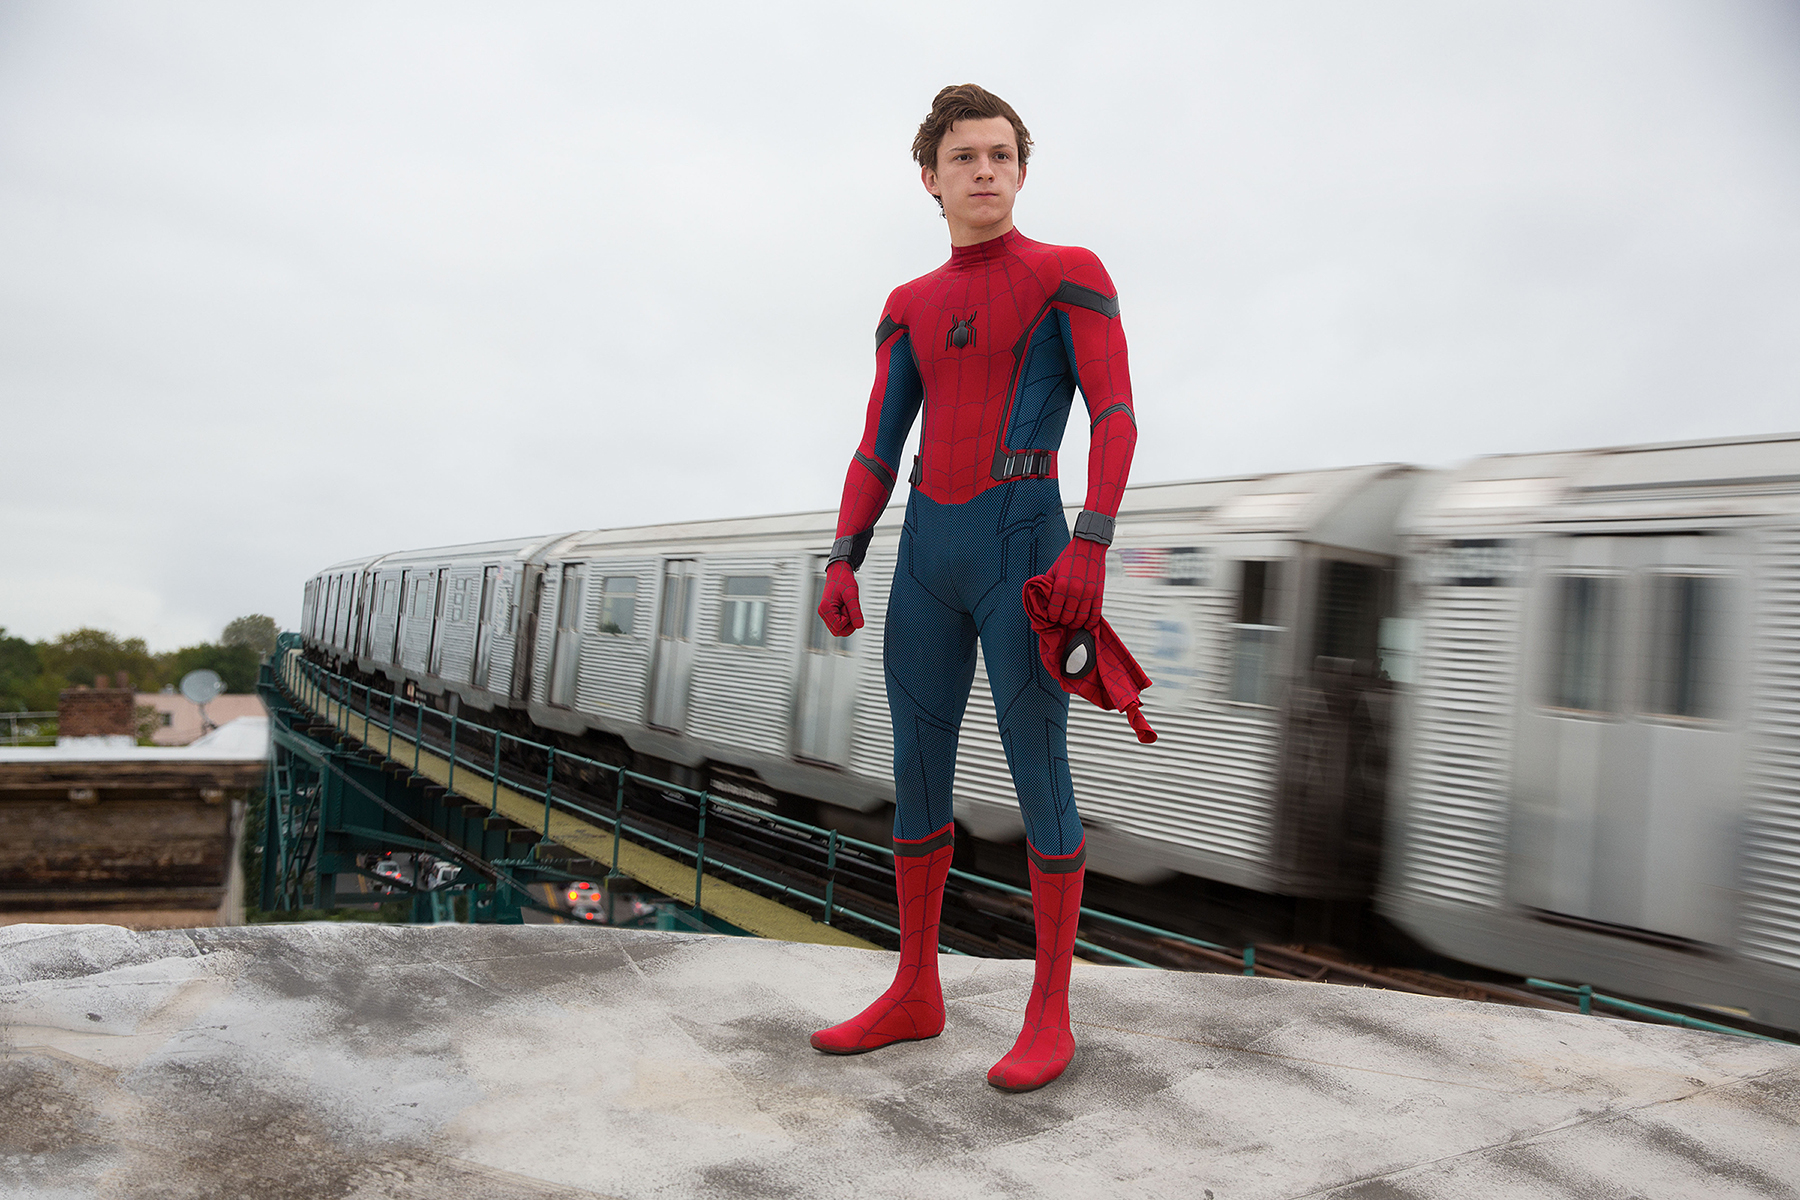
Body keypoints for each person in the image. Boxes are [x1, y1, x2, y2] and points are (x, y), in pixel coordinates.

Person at [809, 84, 1139, 1092]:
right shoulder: (907, 306)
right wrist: (842, 553)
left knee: (1040, 772)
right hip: (926, 553)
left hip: (1025, 546)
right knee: (916, 773)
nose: (985, 170)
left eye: (1002, 154)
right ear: (931, 178)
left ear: (1022, 170)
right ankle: (916, 988)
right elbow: (878, 443)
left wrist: (1090, 543)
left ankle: (1050, 1013)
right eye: (965, 158)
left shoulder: (1068, 275)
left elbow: (1116, 418)